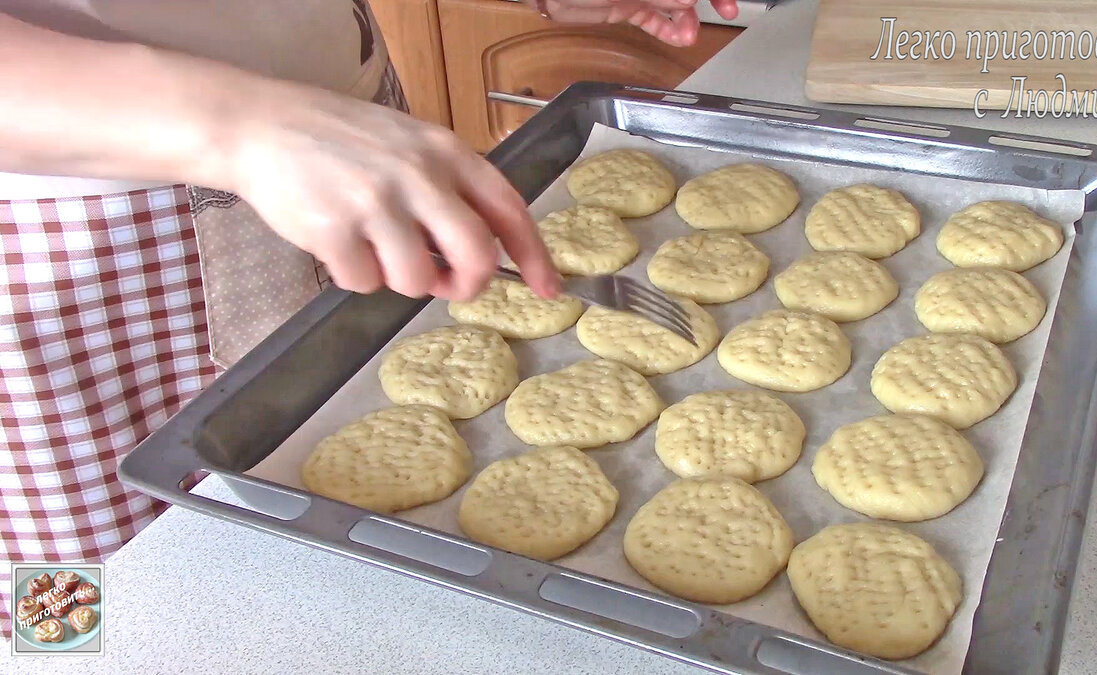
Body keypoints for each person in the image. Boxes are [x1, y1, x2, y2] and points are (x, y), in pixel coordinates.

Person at [0, 0, 738, 637]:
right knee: (88, 579)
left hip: (349, 149)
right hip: (81, 230)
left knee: (329, 548)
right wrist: (235, 124)